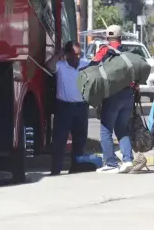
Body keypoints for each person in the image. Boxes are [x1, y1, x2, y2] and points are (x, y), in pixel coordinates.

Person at [94, 25, 145, 173]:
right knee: (122, 129)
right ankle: (128, 160)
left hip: (112, 95)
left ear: (107, 38)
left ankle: (110, 163)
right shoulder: (127, 54)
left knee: (105, 130)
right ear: (120, 37)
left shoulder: (104, 50)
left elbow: (94, 67)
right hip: (128, 95)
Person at [47, 41, 91, 176]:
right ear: (67, 54)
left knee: (80, 140)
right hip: (64, 108)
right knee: (59, 140)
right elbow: (49, 66)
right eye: (74, 54)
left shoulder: (85, 65)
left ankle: (76, 168)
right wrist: (58, 55)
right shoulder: (60, 66)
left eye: (79, 54)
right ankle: (56, 170)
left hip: (81, 107)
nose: (77, 57)